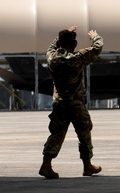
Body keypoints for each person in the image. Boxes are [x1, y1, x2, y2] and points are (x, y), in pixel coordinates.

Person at [39, 26, 104, 179]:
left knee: (56, 134)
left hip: (60, 103)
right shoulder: (77, 59)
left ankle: (46, 165)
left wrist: (60, 37)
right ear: (73, 44)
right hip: (75, 104)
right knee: (84, 133)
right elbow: (97, 47)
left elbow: (51, 47)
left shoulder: (52, 58)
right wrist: (95, 36)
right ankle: (87, 166)